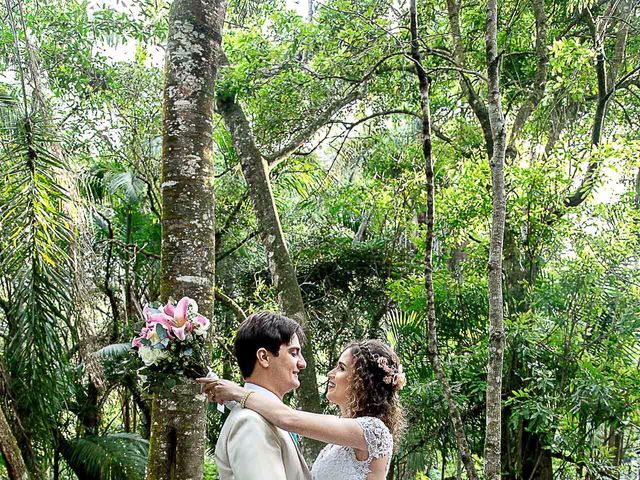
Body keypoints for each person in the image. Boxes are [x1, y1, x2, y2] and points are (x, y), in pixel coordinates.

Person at [200, 339, 406, 480]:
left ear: (363, 382)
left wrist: (237, 393)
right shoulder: (338, 445)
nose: (331, 373)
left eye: (341, 368)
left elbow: (288, 419)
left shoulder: (373, 431)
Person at [204, 311, 311, 480]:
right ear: (264, 357)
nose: (302, 363)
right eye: (293, 353)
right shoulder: (250, 422)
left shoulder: (262, 416)